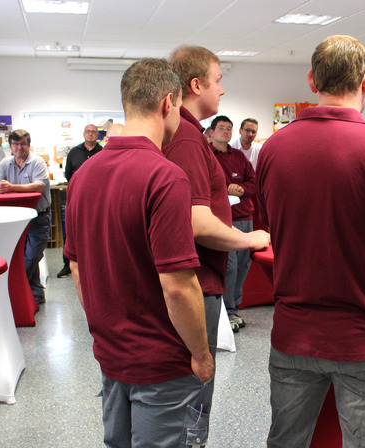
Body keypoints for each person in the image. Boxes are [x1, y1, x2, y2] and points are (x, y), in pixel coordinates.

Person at [256, 35, 365, 448]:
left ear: (313, 80)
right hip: (364, 335)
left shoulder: (272, 150)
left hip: (293, 333)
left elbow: (276, 232)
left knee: (285, 442)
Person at [65, 57, 214, 448]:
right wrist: (200, 352)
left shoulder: (83, 176)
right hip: (161, 363)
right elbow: (178, 286)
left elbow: (76, 265)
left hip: (112, 355)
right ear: (169, 103)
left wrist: (106, 327)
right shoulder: (164, 176)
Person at [165, 44, 270, 357]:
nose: (222, 90)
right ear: (197, 85)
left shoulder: (187, 134)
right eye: (218, 80)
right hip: (196, 281)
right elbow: (197, 222)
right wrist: (249, 238)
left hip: (197, 278)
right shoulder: (186, 137)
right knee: (196, 384)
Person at [0, 129, 51, 305]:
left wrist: (11, 187)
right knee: (20, 255)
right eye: (15, 144)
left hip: (37, 218)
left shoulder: (37, 162)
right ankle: (36, 295)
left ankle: (12, 289)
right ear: (10, 146)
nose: (19, 147)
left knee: (32, 256)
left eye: (23, 144)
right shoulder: (5, 163)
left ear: (28, 145)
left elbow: (38, 186)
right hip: (16, 219)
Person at [210, 115, 256, 332]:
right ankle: (226, 313)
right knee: (230, 266)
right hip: (222, 219)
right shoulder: (206, 156)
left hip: (244, 216)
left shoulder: (238, 156)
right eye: (221, 128)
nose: (226, 132)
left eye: (229, 128)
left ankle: (234, 309)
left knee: (244, 265)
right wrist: (225, 189)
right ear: (211, 132)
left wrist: (242, 189)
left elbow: (253, 182)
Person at [57, 124, 102, 278]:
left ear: (98, 135)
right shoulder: (74, 152)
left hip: (97, 199)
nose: (90, 134)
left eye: (94, 132)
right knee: (71, 231)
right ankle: (67, 265)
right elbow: (68, 173)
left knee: (95, 231)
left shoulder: (103, 152)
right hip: (76, 198)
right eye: (88, 132)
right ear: (84, 134)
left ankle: (93, 264)